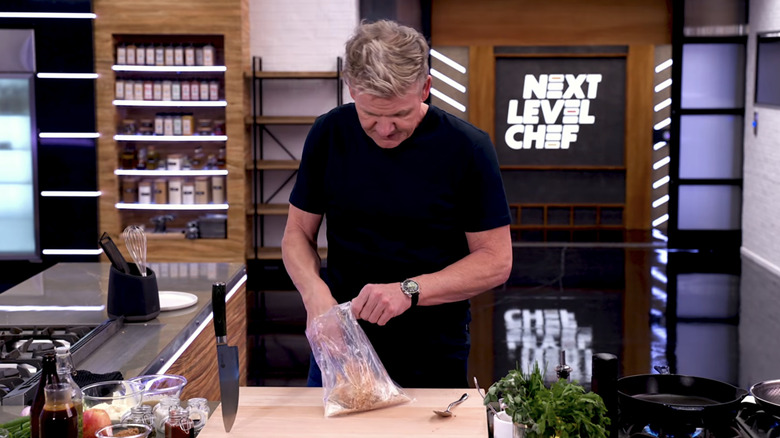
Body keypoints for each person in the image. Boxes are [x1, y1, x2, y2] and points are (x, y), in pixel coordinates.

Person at [281, 19, 513, 389]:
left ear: (425, 88)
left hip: (433, 349)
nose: (386, 130)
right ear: (351, 89)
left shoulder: (467, 148)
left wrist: (409, 290)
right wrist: (315, 295)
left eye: (400, 115)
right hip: (342, 342)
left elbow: (496, 261)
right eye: (370, 116)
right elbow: (297, 233)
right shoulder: (328, 134)